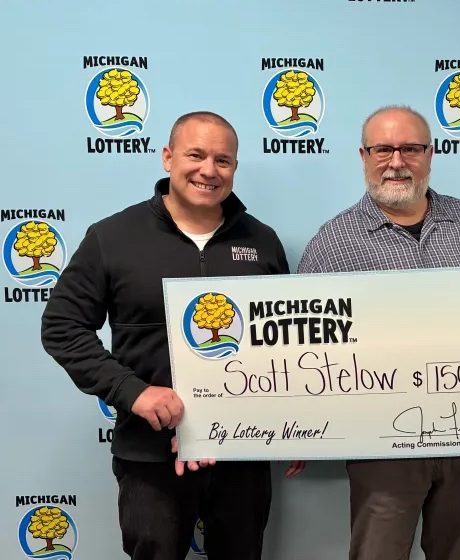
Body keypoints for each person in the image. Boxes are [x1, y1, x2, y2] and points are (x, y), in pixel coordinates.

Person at [298, 105, 460, 560]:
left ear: (430, 154)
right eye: (383, 149)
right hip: (383, 448)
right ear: (363, 155)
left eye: (411, 148)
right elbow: (303, 344)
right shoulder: (333, 242)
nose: (397, 161)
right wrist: (294, 426)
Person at [41, 111, 301, 560]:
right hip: (150, 456)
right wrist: (133, 391)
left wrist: (298, 425)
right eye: (195, 155)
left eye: (223, 160)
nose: (209, 170)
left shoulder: (262, 241)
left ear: (234, 168)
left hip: (243, 454)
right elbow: (62, 328)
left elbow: (286, 343)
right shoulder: (112, 237)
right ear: (167, 158)